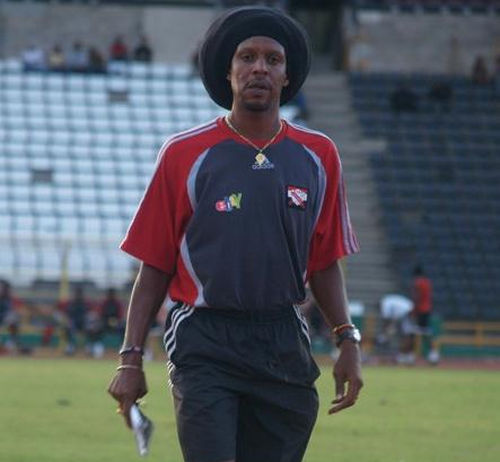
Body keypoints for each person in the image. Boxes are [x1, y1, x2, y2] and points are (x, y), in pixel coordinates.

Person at [108, 7, 363, 462]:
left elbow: (324, 261)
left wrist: (347, 340)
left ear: (288, 75)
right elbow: (155, 265)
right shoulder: (183, 154)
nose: (259, 68)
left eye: (273, 59)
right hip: (204, 338)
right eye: (247, 57)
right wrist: (130, 358)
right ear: (228, 72)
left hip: (283, 339)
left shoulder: (319, 155)